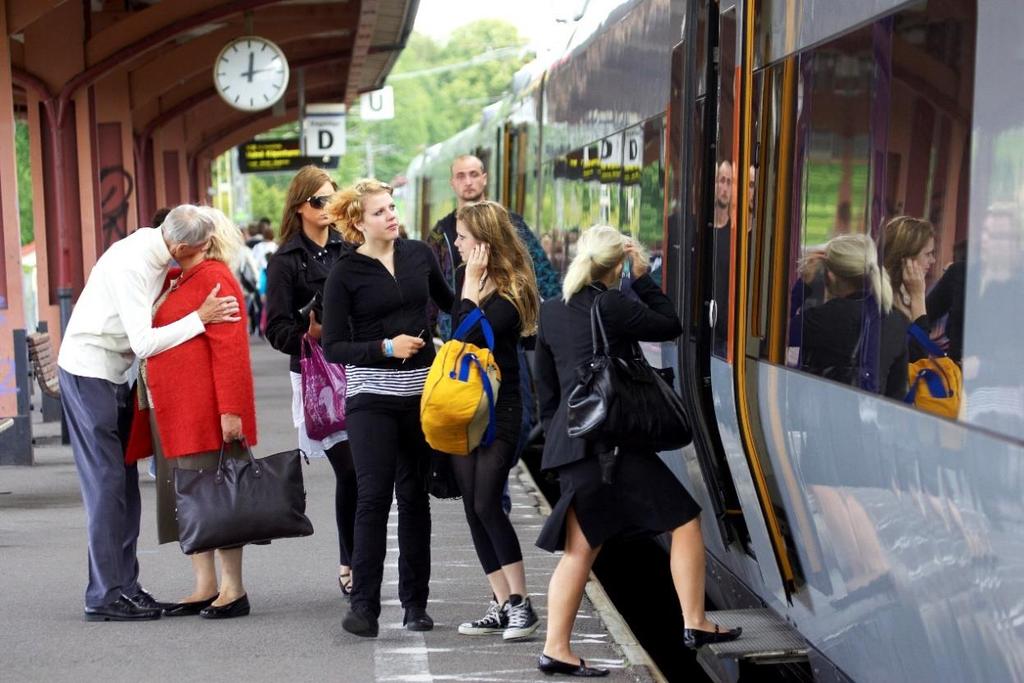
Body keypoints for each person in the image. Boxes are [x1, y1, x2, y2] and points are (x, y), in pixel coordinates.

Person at [533, 225, 740, 677]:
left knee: (581, 551)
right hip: (615, 448)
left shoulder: (550, 311)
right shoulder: (612, 304)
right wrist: (643, 278)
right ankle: (695, 621)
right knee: (684, 520)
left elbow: (546, 392)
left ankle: (556, 649)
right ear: (616, 264)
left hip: (575, 446)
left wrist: (561, 441)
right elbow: (670, 324)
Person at [56, 204, 240, 622]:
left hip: (111, 376)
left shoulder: (155, 250)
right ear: (176, 243)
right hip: (89, 373)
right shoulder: (131, 265)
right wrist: (200, 317)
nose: (206, 250)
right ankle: (104, 594)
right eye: (200, 246)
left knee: (124, 487)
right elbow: (143, 342)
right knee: (106, 488)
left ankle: (125, 587)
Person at [321, 179, 455, 638]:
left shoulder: (419, 254)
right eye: (380, 212)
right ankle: (364, 608)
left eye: (393, 208)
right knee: (373, 498)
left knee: (416, 499)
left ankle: (415, 605)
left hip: (421, 396)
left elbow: (451, 303)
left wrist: (484, 290)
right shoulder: (345, 272)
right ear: (358, 223)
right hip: (371, 400)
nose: (392, 216)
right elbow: (334, 345)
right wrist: (385, 346)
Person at [124, 207, 257, 619]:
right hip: (173, 411)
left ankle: (233, 589)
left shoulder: (215, 278)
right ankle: (205, 585)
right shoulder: (179, 278)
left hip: (204, 411)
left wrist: (231, 410)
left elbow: (231, 348)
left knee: (216, 498)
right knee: (188, 499)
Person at [448, 201, 542, 641]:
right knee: (472, 505)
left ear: (485, 242)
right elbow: (456, 331)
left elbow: (468, 335)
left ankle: (522, 604)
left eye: (463, 237)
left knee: (488, 501)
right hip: (465, 407)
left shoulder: (512, 286)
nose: (457, 244)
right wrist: (467, 284)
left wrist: (468, 284)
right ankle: (501, 602)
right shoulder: (471, 280)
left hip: (500, 409)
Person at [264, 166, 356, 596]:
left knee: (367, 474)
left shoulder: (349, 249)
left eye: (332, 199)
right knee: (350, 470)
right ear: (301, 206)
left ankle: (358, 561)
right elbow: (276, 329)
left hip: (360, 367)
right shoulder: (285, 261)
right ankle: (349, 562)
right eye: (320, 201)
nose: (328, 208)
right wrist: (310, 334)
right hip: (319, 378)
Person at [880, 216, 934, 361]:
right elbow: (918, 357)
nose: (932, 260)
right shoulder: (883, 301)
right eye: (928, 254)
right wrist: (918, 297)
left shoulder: (903, 293)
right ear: (906, 258)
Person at [711, 160, 734, 357]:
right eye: (721, 180)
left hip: (725, 336)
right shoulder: (701, 230)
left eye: (729, 182)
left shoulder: (736, 236)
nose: (724, 188)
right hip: (700, 331)